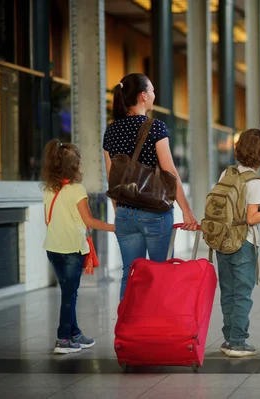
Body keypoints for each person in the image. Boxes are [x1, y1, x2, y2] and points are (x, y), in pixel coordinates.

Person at [103, 73, 198, 301]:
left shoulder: (111, 130)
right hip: (155, 212)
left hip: (125, 212)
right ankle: (159, 328)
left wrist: (120, 212)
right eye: (152, 91)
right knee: (162, 273)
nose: (155, 95)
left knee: (130, 274)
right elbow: (170, 173)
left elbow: (112, 178)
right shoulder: (155, 127)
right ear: (143, 96)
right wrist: (186, 209)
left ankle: (126, 330)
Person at [216, 129, 260, 358]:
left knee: (227, 292)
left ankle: (228, 339)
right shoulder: (254, 182)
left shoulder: (226, 173)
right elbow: (251, 217)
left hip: (221, 240)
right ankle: (238, 342)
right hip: (243, 243)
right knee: (242, 294)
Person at [41, 140, 115, 354]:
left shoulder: (49, 189)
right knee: (69, 295)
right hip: (72, 249)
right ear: (73, 166)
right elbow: (90, 221)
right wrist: (115, 227)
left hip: (53, 248)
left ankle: (74, 334)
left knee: (68, 293)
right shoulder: (76, 190)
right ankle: (63, 340)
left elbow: (48, 220)